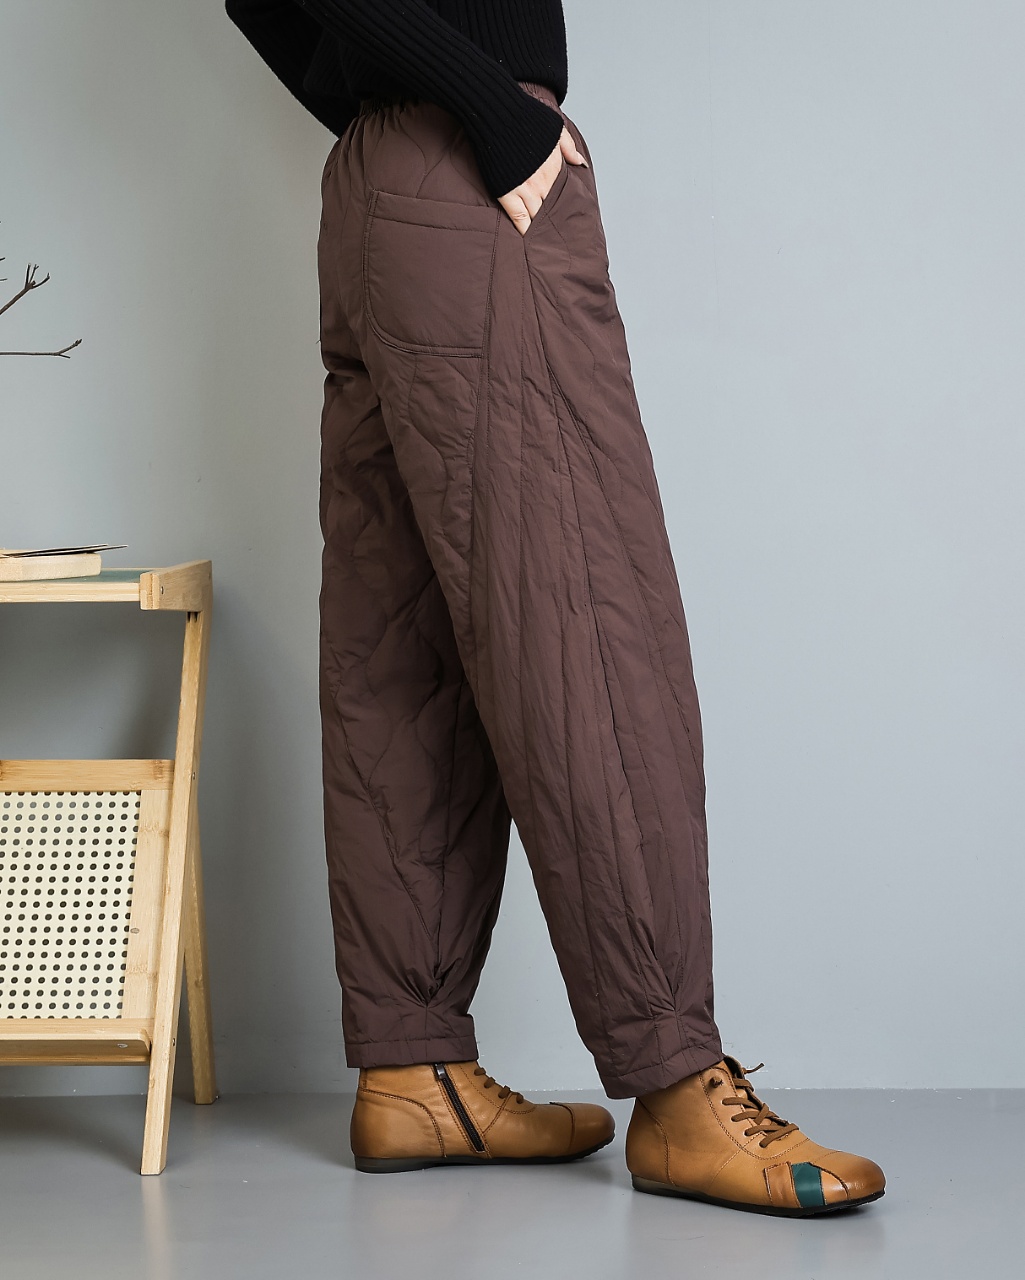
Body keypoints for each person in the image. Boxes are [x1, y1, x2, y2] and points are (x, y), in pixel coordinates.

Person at [225, 0, 885, 1216]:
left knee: (402, 644)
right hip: (469, 170)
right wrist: (487, 115)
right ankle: (676, 1082)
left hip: (376, 188)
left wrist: (381, 113)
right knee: (584, 615)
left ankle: (415, 1066)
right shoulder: (482, 131)